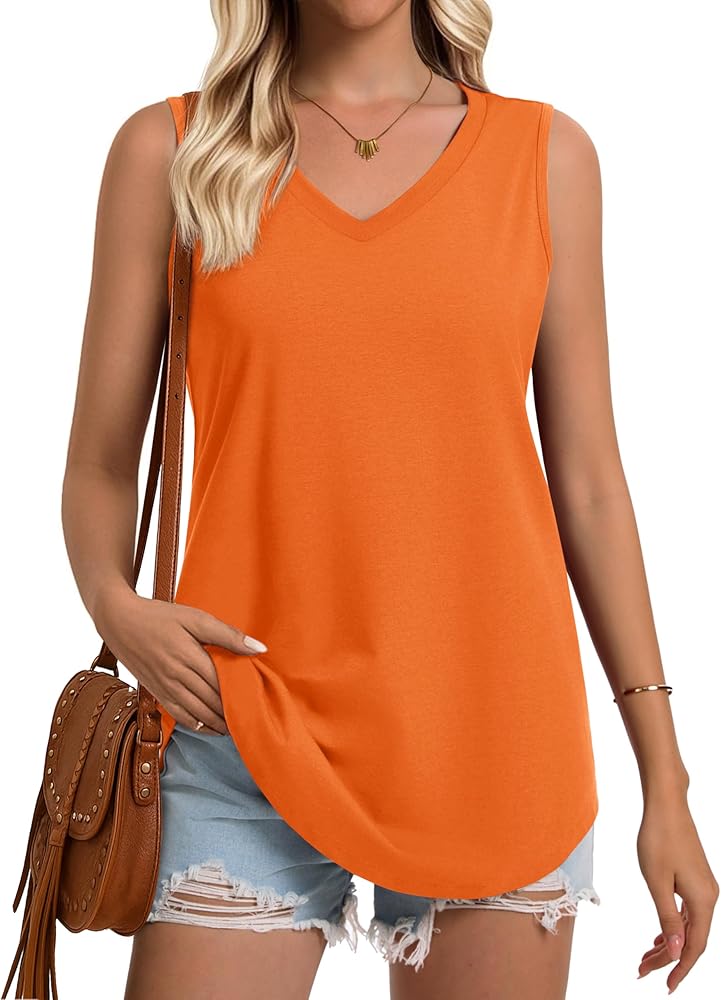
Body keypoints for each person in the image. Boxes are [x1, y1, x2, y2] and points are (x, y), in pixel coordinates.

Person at [59, 2, 718, 998]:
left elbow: (588, 483)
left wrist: (663, 778)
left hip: (491, 731)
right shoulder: (172, 150)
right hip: (237, 720)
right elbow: (103, 461)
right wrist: (116, 606)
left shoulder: (546, 158)